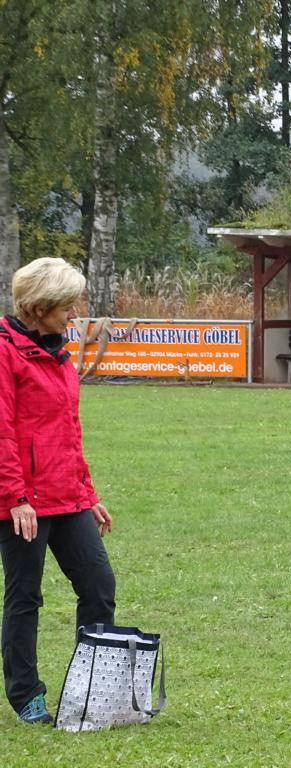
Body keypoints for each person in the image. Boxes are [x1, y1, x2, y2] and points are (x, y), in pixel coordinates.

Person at [0, 257, 116, 724]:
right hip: (23, 503)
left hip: (66, 496)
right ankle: (26, 695)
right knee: (25, 597)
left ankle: (92, 689)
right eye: (67, 305)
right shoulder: (5, 353)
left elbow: (68, 431)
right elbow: (3, 431)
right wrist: (15, 499)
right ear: (38, 307)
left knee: (99, 586)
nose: (74, 314)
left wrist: (88, 494)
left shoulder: (59, 355)